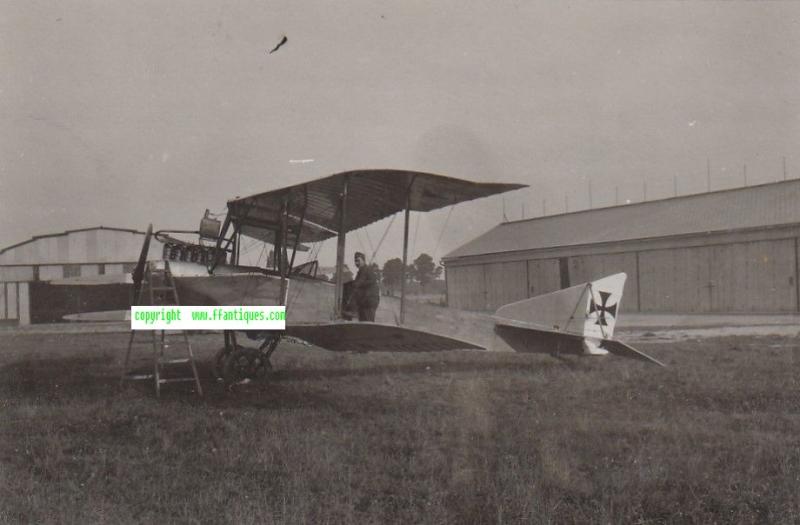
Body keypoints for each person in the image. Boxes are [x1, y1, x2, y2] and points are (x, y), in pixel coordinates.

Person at [350, 251, 380, 321]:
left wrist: (353, 284)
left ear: (363, 260)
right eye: (355, 261)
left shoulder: (366, 270)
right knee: (363, 324)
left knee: (368, 325)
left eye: (358, 261)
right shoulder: (362, 271)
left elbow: (358, 283)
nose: (356, 263)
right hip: (364, 302)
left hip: (368, 302)